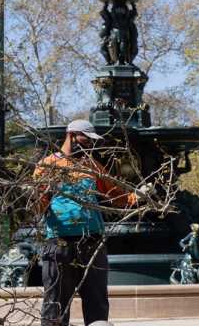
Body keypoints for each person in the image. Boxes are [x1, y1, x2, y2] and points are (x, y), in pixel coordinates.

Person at [33, 119, 135, 326]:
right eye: (86, 140)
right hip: (59, 245)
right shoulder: (47, 166)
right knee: (55, 306)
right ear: (72, 136)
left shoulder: (91, 166)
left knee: (97, 303)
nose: (90, 145)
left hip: (92, 244)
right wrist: (39, 195)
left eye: (91, 141)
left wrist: (137, 197)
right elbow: (37, 208)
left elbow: (116, 195)